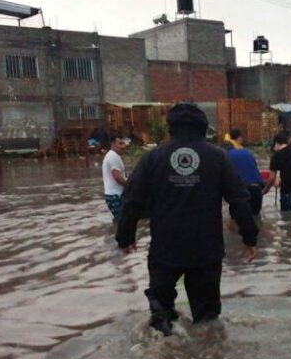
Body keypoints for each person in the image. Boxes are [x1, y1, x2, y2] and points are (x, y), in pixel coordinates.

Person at [116, 103, 259, 337]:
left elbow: (131, 200)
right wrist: (249, 237)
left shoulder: (153, 157)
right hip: (206, 251)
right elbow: (239, 200)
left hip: (165, 250)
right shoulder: (218, 158)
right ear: (203, 127)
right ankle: (209, 355)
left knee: (161, 317)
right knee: (207, 320)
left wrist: (125, 237)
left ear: (170, 127)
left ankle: (167, 353)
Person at [226, 128, 265, 216]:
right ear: (239, 138)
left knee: (237, 219)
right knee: (256, 219)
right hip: (256, 189)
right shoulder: (249, 152)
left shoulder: (226, 155)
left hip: (239, 192)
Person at [102, 134, 128, 219]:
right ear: (113, 144)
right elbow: (117, 177)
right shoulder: (112, 156)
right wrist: (130, 185)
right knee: (123, 220)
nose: (123, 146)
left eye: (123, 143)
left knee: (122, 220)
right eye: (120, 143)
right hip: (115, 196)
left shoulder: (115, 156)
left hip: (114, 195)